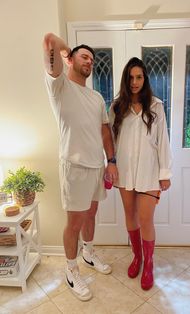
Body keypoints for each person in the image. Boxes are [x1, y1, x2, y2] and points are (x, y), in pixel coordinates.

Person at [43, 33, 118, 301]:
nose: (90, 61)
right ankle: (71, 270)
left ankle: (88, 253)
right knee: (74, 222)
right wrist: (65, 52)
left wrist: (111, 161)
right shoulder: (59, 86)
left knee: (91, 213)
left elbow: (105, 131)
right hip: (74, 166)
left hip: (97, 165)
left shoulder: (96, 96)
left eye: (92, 59)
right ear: (71, 59)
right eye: (84, 56)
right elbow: (50, 40)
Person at [109, 57, 172, 290]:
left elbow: (163, 141)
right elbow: (111, 141)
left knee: (146, 218)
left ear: (145, 79)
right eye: (131, 77)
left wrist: (165, 173)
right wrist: (111, 163)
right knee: (130, 214)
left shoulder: (156, 106)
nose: (135, 82)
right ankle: (137, 256)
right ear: (126, 79)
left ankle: (148, 264)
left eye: (139, 77)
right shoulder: (117, 107)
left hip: (149, 171)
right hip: (125, 171)